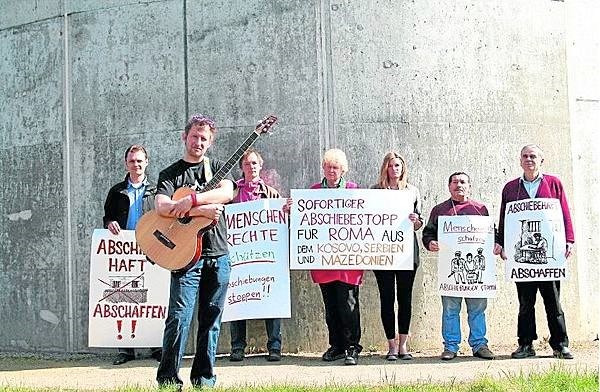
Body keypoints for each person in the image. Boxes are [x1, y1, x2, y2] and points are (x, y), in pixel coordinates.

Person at [154, 114, 236, 388]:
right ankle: (167, 378)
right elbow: (163, 207)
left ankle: (204, 378)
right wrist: (201, 209)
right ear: (184, 136)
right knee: (179, 316)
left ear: (210, 142)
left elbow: (225, 193)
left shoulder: (220, 169)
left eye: (204, 138)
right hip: (186, 257)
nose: (198, 142)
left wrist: (190, 201)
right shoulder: (170, 174)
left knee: (211, 319)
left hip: (218, 253)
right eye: (194, 136)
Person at [495, 144, 575, 360]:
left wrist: (568, 240)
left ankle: (560, 345)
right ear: (520, 161)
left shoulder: (554, 183)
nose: (528, 159)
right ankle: (526, 344)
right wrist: (501, 242)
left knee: (553, 302)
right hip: (523, 262)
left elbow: (564, 212)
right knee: (525, 304)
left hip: (549, 259)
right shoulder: (511, 188)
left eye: (533, 156)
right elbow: (505, 218)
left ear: (541, 160)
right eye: (525, 156)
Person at [285, 148, 363, 366]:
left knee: (348, 305)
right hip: (323, 260)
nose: (331, 170)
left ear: (342, 169)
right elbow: (304, 219)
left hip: (347, 261)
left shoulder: (353, 190)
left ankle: (352, 347)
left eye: (335, 167)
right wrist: (294, 210)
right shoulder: (313, 191)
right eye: (328, 166)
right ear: (323, 168)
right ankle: (337, 346)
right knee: (330, 307)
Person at [422, 172, 496, 361]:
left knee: (478, 308)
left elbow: (491, 234)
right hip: (451, 272)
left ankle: (480, 344)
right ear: (449, 186)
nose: (459, 185)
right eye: (455, 182)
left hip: (477, 275)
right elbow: (428, 233)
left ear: (469, 186)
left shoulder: (481, 209)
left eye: (463, 182)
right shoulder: (440, 210)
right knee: (450, 309)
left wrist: (496, 244)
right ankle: (451, 346)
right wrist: (430, 243)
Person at [102, 144, 162, 365]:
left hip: (151, 250)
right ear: (126, 163)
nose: (135, 164)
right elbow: (107, 218)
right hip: (124, 253)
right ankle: (125, 349)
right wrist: (110, 224)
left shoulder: (156, 191)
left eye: (139, 161)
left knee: (154, 296)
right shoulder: (116, 191)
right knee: (123, 297)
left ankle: (157, 346)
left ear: (146, 162)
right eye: (132, 161)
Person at [229, 148, 283, 363]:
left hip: (267, 257)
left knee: (272, 298)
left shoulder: (270, 193)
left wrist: (287, 208)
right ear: (242, 168)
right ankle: (237, 347)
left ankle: (275, 346)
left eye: (254, 163)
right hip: (240, 257)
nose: (251, 167)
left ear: (260, 166)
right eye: (247, 164)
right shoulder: (232, 194)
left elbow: (282, 218)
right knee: (237, 299)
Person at [370, 152, 423, 361]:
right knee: (386, 299)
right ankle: (390, 345)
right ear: (386, 168)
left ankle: (403, 344)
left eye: (398, 165)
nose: (395, 169)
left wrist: (415, 220)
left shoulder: (412, 191)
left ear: (403, 168)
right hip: (383, 251)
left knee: (405, 299)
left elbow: (419, 223)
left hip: (406, 252)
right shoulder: (375, 191)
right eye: (391, 165)